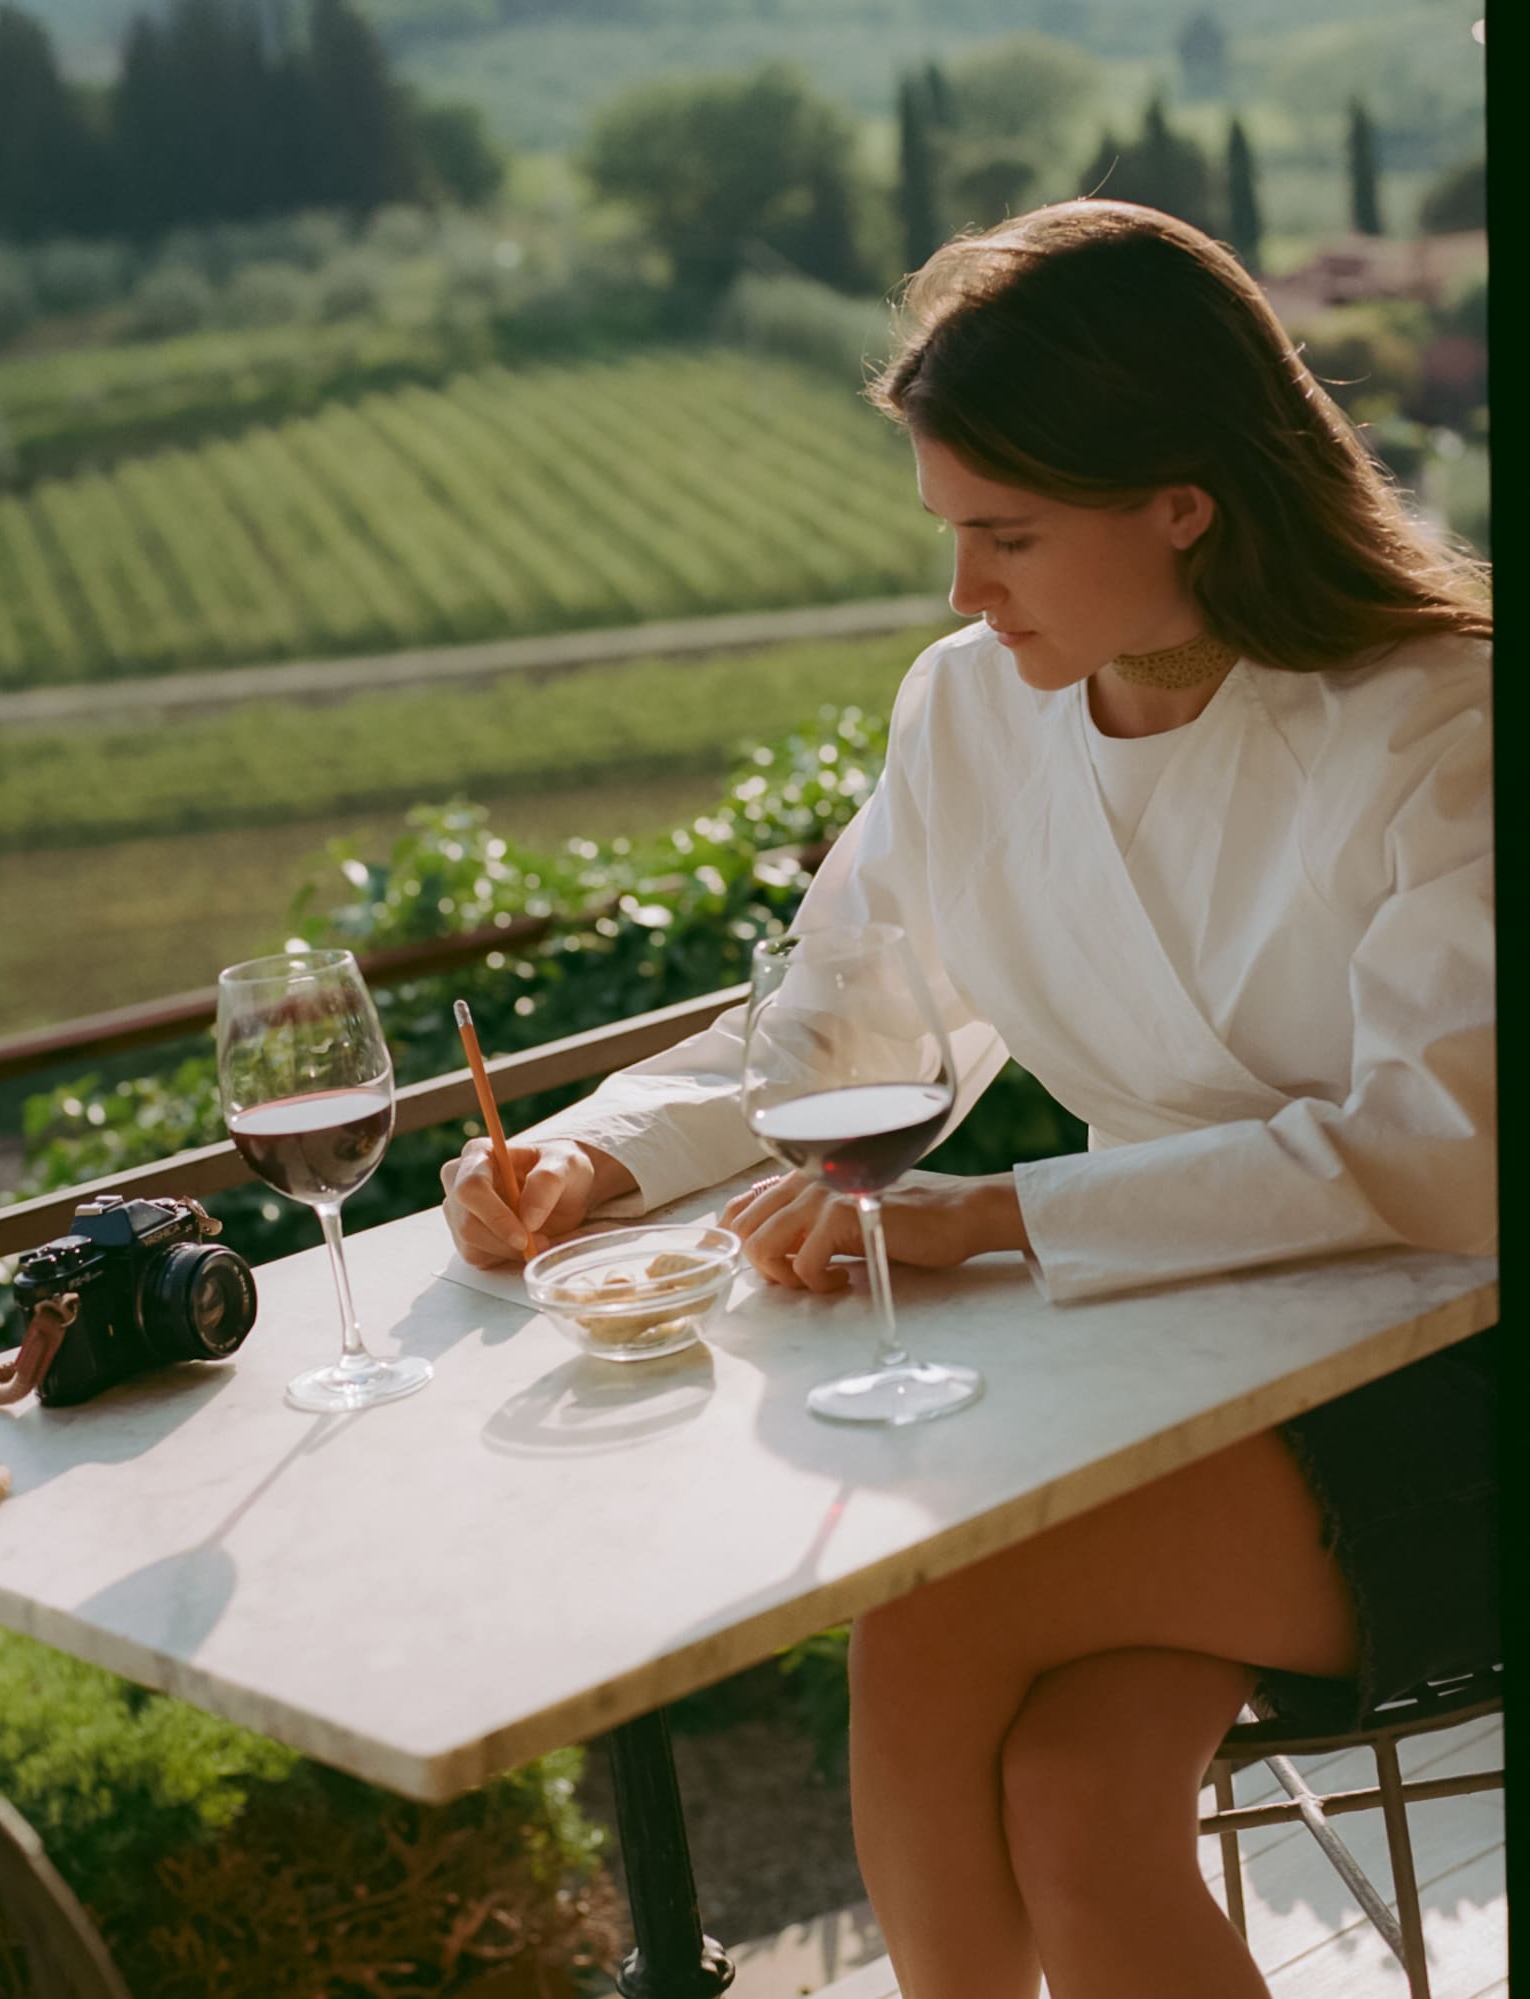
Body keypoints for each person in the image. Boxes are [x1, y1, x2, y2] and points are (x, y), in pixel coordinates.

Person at [438, 200, 1496, 1999]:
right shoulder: (971, 712)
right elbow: (826, 1040)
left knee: (926, 1614)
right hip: (1181, 1367)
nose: (963, 592)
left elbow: (1445, 1163)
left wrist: (999, 1213)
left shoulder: (1437, 720)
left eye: (1007, 536)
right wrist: (592, 1154)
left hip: (1448, 1386)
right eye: (951, 533)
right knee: (1079, 1801)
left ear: (1187, 497)